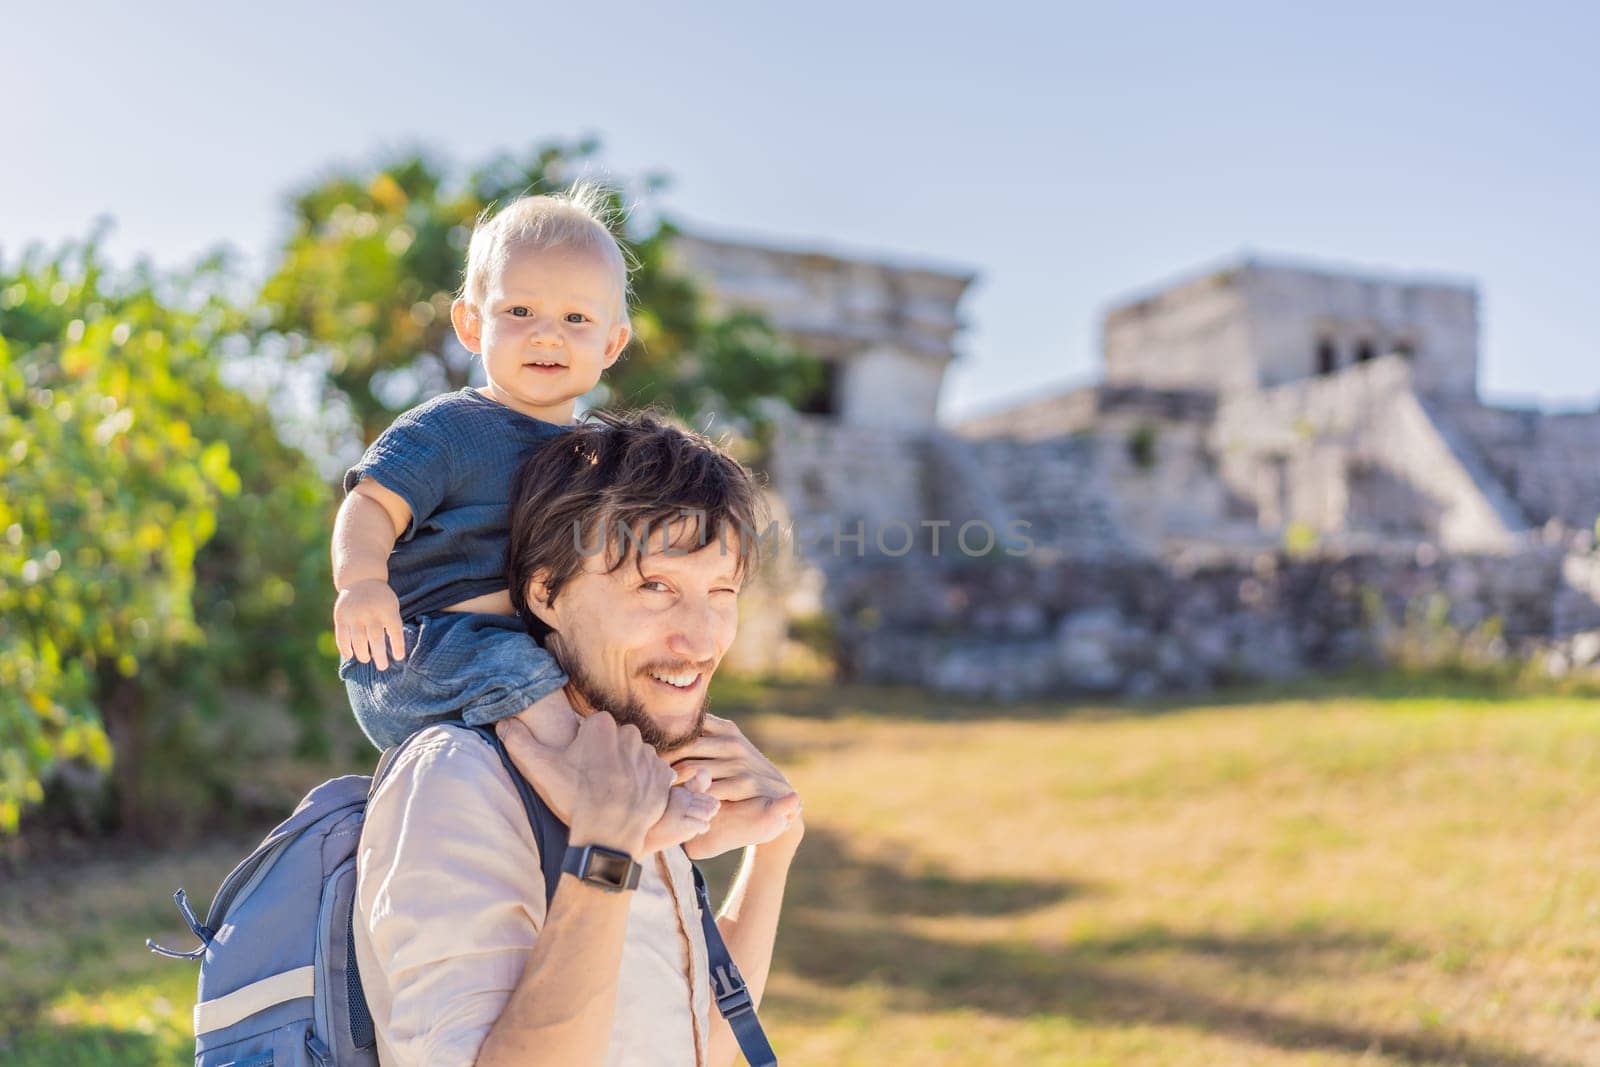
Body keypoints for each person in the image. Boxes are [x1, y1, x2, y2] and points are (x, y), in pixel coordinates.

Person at [353, 411, 803, 1066]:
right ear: (546, 590)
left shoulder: (634, 773)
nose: (702, 640)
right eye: (655, 586)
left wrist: (775, 845)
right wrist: (607, 850)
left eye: (721, 590)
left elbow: (693, 1040)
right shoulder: (459, 779)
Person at [331, 185, 722, 843]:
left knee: (606, 683)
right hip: (421, 652)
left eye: (577, 319)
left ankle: (652, 786)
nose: (547, 333)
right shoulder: (451, 428)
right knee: (524, 673)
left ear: (613, 342)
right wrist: (362, 582)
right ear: (471, 325)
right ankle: (603, 813)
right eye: (520, 310)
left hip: (516, 655)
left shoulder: (596, 456)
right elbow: (369, 504)